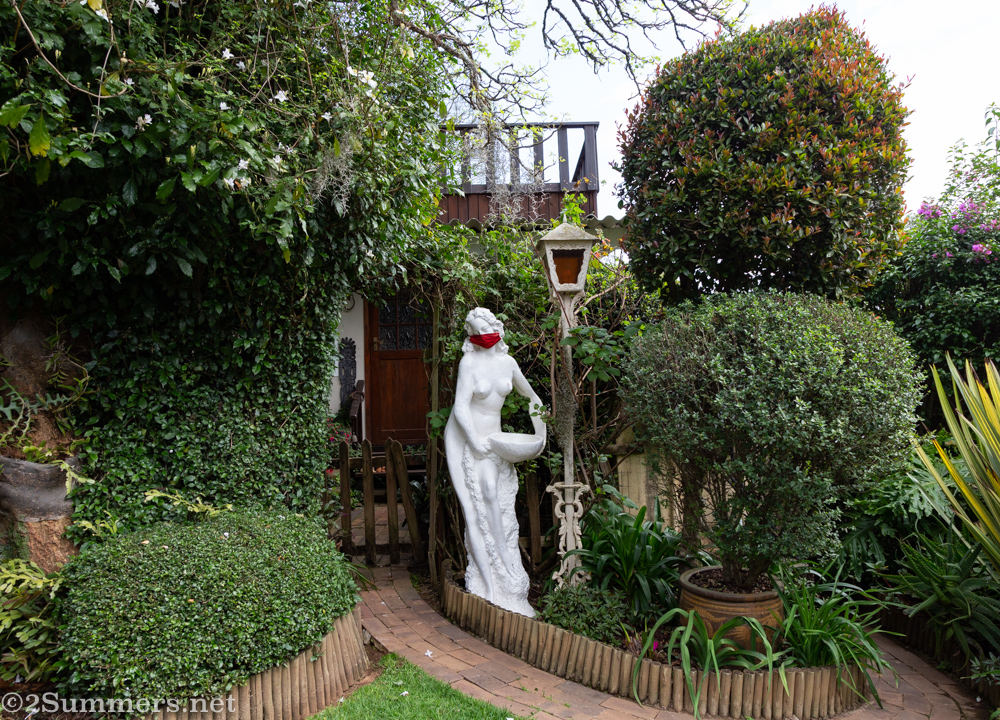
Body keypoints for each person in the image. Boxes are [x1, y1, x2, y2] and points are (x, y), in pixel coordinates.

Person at [444, 307, 545, 616]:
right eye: (475, 331)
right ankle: (488, 583)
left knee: (494, 496)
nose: (481, 336)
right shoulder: (468, 363)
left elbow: (532, 397)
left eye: (484, 329)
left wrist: (540, 429)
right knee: (474, 507)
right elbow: (461, 406)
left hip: (492, 439)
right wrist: (475, 441)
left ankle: (506, 564)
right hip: (466, 438)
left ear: (496, 328)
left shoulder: (508, 363)